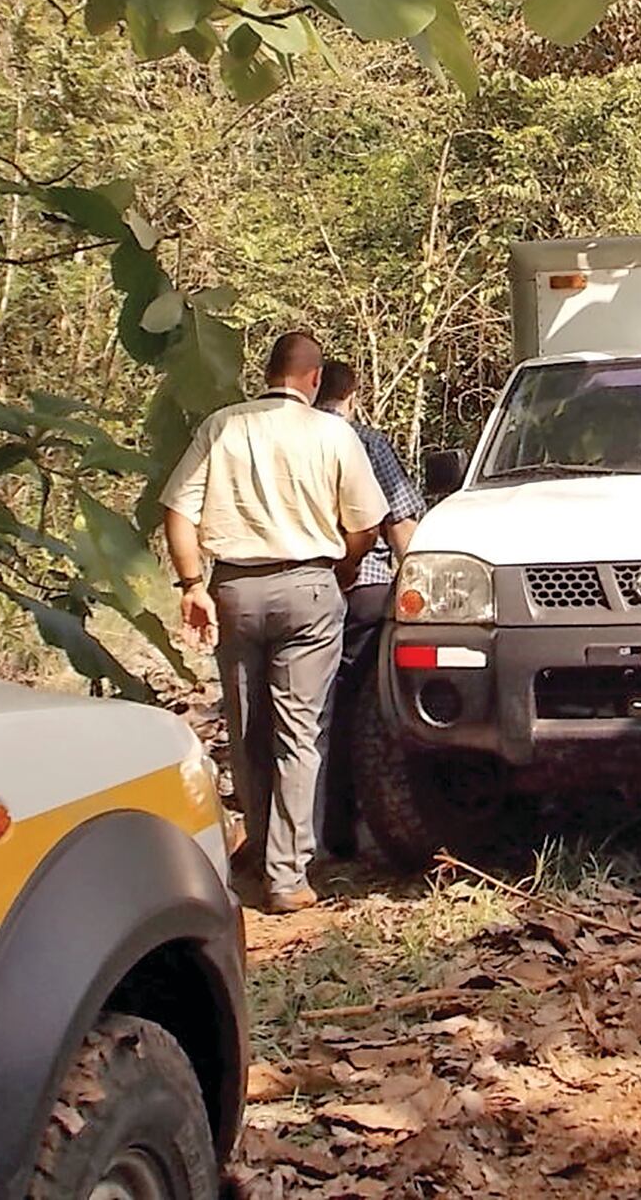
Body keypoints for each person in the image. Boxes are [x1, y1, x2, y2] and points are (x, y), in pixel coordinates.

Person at [161, 332, 387, 913]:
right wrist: (347, 562)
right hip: (310, 584)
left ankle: (260, 852)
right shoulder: (334, 432)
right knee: (300, 730)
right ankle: (287, 875)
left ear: (267, 372)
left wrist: (191, 584)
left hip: (234, 586)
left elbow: (177, 510)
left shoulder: (224, 426)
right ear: (315, 379)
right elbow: (364, 524)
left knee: (247, 725)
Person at [315, 359, 426, 859]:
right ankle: (342, 826)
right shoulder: (364, 441)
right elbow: (398, 523)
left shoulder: (283, 438)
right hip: (365, 585)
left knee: (299, 710)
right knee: (356, 711)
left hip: (298, 583)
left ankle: (299, 831)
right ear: (352, 394)